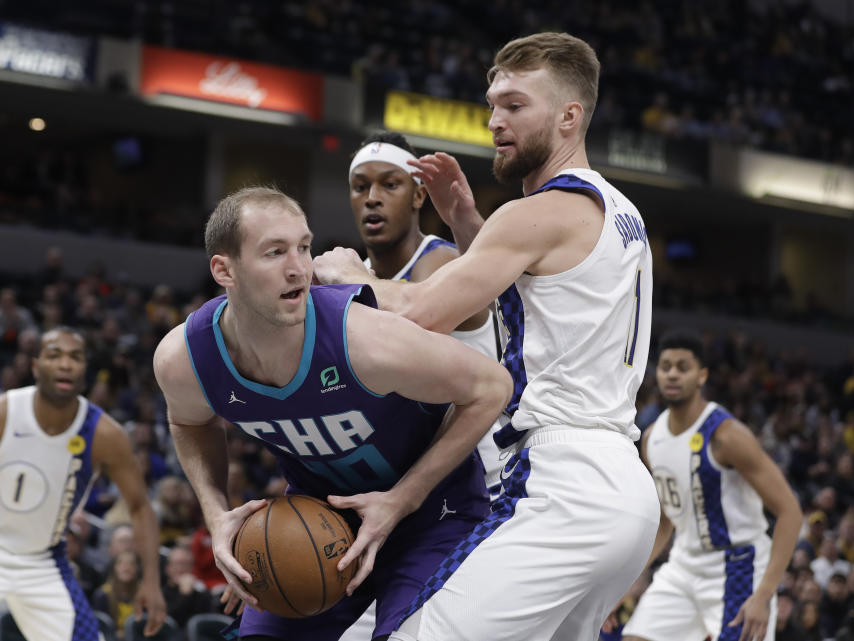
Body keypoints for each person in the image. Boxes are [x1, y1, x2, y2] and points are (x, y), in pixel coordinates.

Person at [314, 32, 662, 641]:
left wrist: (348, 276)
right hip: (621, 485)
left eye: (515, 105)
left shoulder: (538, 213)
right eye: (492, 105)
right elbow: (524, 302)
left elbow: (422, 312)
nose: (495, 121)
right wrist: (468, 222)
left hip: (559, 479)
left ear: (569, 116)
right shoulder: (617, 209)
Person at [152, 186, 512, 641]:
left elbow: (491, 387)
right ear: (225, 270)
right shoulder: (185, 358)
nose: (298, 268)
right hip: (322, 519)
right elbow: (188, 422)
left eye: (304, 247)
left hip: (431, 512)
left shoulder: (364, 338)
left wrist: (401, 500)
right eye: (274, 252)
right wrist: (217, 514)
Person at [340, 132, 503, 641]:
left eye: (389, 184)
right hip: (396, 492)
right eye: (359, 186)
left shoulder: (446, 263)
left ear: (416, 195)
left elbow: (414, 308)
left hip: (480, 486)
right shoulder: (352, 273)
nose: (371, 197)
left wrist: (346, 281)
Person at [612, 330, 802, 641]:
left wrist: (764, 595)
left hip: (738, 567)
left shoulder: (727, 435)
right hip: (683, 566)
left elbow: (790, 513)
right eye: (666, 366)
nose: (673, 374)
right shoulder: (651, 438)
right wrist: (626, 583)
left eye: (683, 367)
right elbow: (665, 521)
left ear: (702, 376)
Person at [0, 327, 166, 640]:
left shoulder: (105, 434)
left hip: (42, 561)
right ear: (36, 367)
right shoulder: (7, 411)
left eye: (75, 357)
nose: (66, 364)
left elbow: (140, 506)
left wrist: (152, 582)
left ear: (85, 370)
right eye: (54, 355)